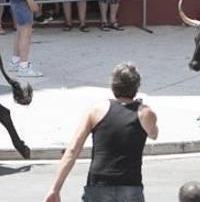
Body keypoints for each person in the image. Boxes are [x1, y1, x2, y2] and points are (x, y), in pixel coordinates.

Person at [44, 63, 159, 202]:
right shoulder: (145, 112)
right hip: (130, 186)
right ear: (136, 87)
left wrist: (55, 189)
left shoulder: (96, 110)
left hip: (98, 185)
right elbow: (153, 134)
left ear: (113, 86)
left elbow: (73, 150)